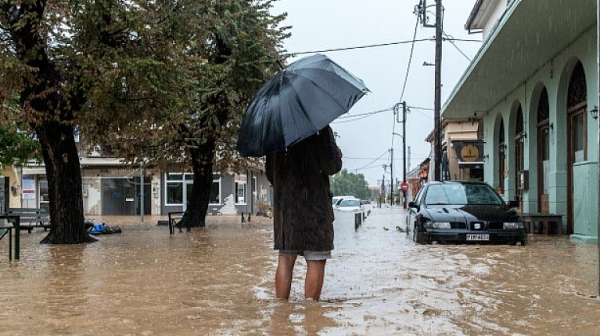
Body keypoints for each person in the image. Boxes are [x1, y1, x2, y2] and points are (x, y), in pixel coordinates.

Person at [265, 125, 342, 301]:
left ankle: (281, 313)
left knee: (285, 260)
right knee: (316, 258)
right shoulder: (319, 128)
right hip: (315, 206)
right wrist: (337, 154)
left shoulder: (276, 132)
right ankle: (311, 316)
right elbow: (331, 166)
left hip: (286, 207)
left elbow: (270, 172)